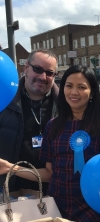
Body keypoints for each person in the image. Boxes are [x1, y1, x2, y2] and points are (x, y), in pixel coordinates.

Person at [0, 65, 100, 221]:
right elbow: (49, 174)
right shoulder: (53, 125)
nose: (74, 92)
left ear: (92, 93)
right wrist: (10, 168)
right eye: (69, 86)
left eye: (81, 87)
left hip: (92, 209)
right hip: (56, 208)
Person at [0, 49, 59, 194]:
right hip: (7, 190)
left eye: (49, 73)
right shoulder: (5, 99)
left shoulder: (63, 107)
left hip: (48, 193)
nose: (43, 77)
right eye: (37, 69)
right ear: (26, 68)